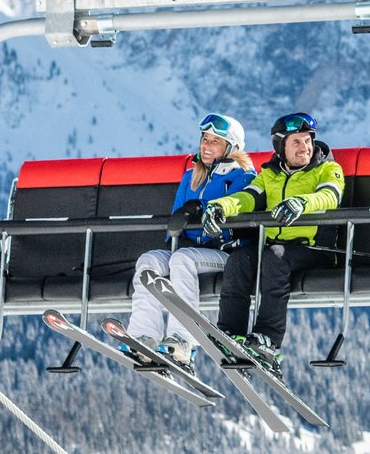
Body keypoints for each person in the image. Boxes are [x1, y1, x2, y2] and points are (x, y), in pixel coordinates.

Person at [205, 111, 344, 375]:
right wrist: (219, 207)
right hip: (275, 251)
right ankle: (230, 333)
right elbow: (247, 198)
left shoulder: (327, 168)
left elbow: (330, 196)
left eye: (307, 141)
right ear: (281, 147)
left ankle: (267, 338)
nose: (305, 147)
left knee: (274, 256)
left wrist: (302, 203)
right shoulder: (270, 175)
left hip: (315, 249)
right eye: (296, 142)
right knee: (239, 259)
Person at [126, 113, 254, 366]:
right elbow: (175, 220)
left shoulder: (244, 177)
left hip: (223, 253)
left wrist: (202, 207)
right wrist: (174, 235)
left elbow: (238, 208)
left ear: (231, 147)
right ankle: (144, 335)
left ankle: (183, 341)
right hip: (187, 249)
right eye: (204, 139)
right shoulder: (191, 177)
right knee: (149, 261)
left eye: (214, 141)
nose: (205, 146)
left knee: (183, 259)